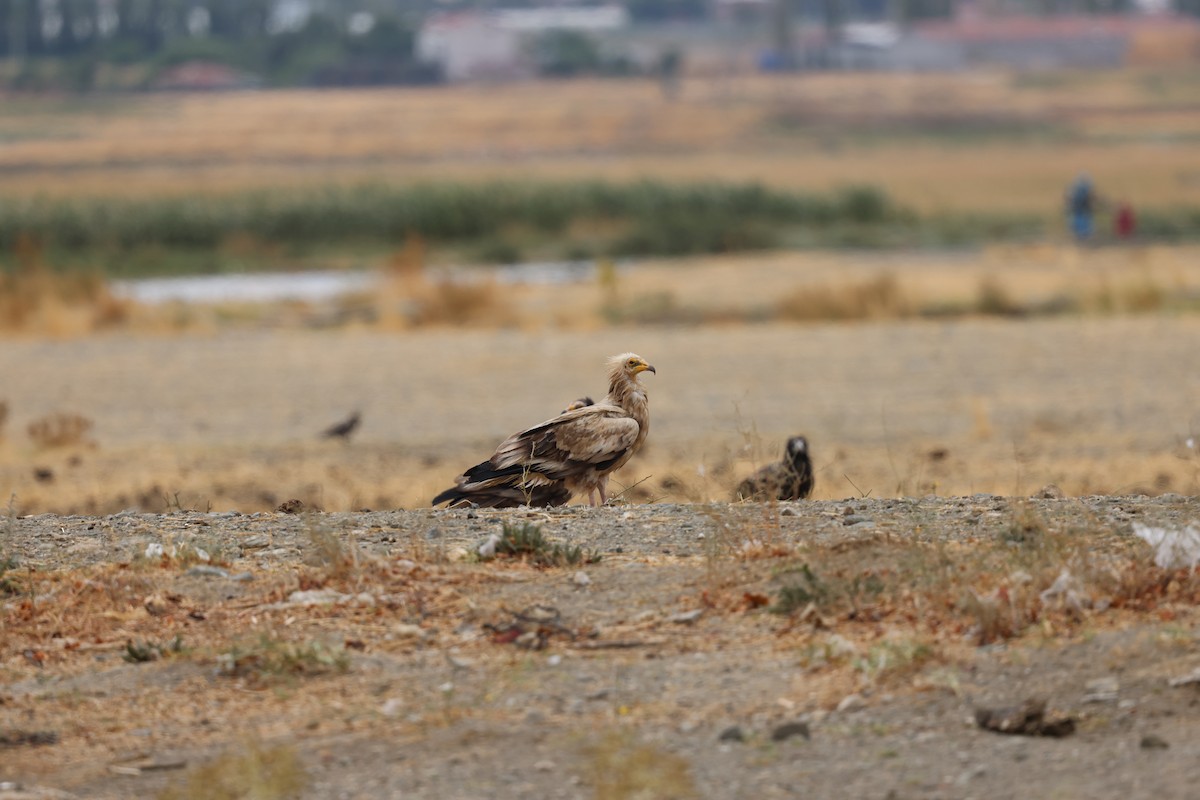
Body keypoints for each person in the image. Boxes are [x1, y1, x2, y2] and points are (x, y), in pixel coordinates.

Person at [1066, 173, 1096, 242]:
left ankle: (1081, 237)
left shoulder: (1077, 189)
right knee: (1083, 225)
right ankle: (1083, 237)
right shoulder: (1083, 189)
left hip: (1081, 211)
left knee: (1081, 225)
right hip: (1082, 211)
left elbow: (1072, 200)